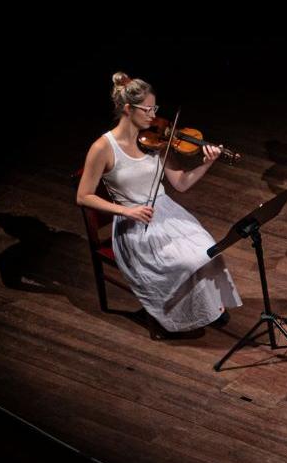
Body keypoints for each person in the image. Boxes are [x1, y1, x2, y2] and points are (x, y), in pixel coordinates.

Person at [75, 72, 242, 336]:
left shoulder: (157, 141)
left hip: (166, 212)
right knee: (187, 261)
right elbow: (83, 196)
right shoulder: (102, 148)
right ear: (128, 109)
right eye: (148, 109)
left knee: (210, 250)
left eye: (155, 108)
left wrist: (207, 162)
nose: (153, 115)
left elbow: (181, 184)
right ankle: (171, 313)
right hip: (134, 223)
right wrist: (126, 210)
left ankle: (208, 307)